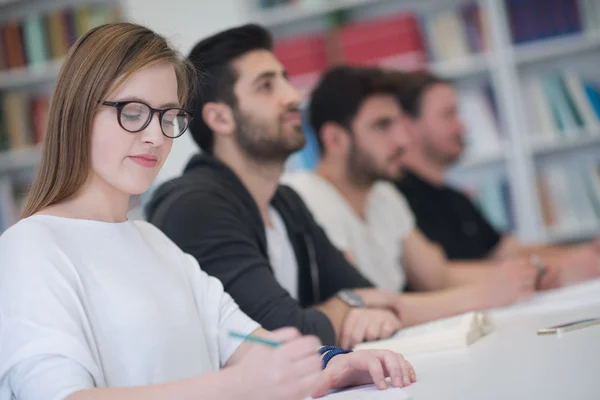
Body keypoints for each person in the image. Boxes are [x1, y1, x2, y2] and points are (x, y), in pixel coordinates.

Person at [0, 23, 415, 400]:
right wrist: (233, 387)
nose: (155, 136)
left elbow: (253, 345)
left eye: (169, 116)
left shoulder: (154, 242)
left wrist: (332, 364)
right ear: (78, 111)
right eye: (132, 113)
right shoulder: (31, 247)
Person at [145, 24, 408, 351]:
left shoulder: (286, 202)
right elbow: (283, 336)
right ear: (221, 119)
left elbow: (378, 298)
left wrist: (351, 306)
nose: (294, 96)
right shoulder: (195, 207)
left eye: (285, 79)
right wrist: (349, 306)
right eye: (267, 86)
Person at [283, 65, 563, 327]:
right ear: (334, 139)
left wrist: (523, 276)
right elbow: (365, 307)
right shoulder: (306, 198)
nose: (402, 140)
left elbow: (437, 275)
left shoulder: (383, 194)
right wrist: (486, 293)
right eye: (382, 126)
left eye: (397, 124)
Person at [393, 70, 600, 284]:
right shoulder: (396, 199)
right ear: (409, 125)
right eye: (448, 114)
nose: (461, 125)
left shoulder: (455, 197)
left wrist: (584, 253)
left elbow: (505, 250)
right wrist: (538, 271)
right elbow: (437, 275)